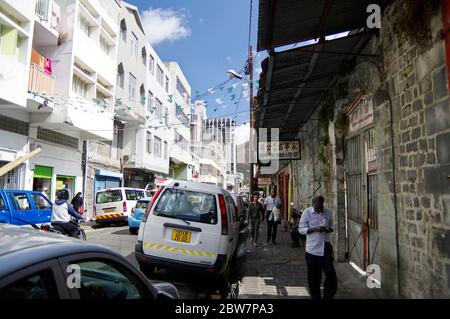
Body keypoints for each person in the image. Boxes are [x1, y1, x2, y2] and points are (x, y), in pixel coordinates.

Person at [299, 196, 337, 300]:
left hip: (326, 248)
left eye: (321, 206)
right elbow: (301, 229)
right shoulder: (307, 212)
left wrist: (327, 229)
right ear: (313, 204)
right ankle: (315, 297)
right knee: (314, 278)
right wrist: (316, 229)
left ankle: (328, 296)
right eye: (318, 207)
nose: (320, 209)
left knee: (331, 274)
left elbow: (332, 226)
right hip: (312, 250)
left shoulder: (328, 212)